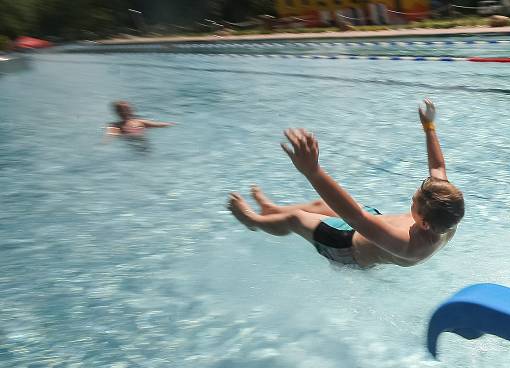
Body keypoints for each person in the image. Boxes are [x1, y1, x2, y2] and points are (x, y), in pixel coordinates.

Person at [228, 99, 465, 268]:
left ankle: (254, 221)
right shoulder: (444, 213)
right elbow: (438, 169)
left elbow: (356, 220)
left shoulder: (410, 246)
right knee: (319, 205)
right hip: (373, 224)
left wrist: (312, 171)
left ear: (423, 222)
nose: (412, 198)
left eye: (414, 202)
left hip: (345, 247)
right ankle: (272, 211)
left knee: (296, 219)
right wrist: (429, 127)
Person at [105, 101, 173, 137]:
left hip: (138, 143)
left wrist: (169, 124)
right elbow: (159, 125)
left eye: (127, 109)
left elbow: (159, 125)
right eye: (125, 110)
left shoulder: (114, 125)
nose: (126, 112)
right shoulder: (115, 125)